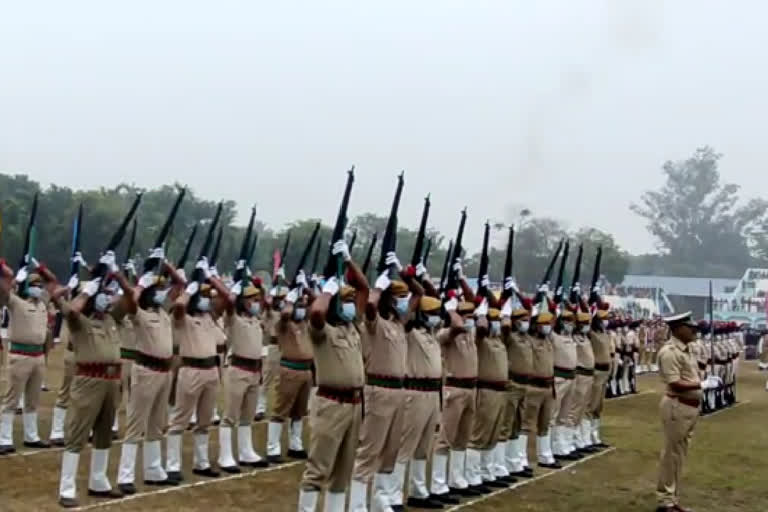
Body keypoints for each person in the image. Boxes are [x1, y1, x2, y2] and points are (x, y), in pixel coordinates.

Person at [55, 252, 133, 507]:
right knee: (77, 432)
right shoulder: (81, 322)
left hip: (112, 381)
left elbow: (131, 299)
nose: (108, 297)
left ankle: (98, 479)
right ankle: (67, 487)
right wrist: (87, 291)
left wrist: (117, 274)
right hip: (89, 380)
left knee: (104, 433)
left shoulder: (112, 319)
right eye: (104, 293)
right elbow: (68, 308)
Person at [297, 240, 368, 512]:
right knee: (318, 469)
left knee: (343, 472)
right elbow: (316, 311)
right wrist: (327, 290)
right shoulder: (321, 332)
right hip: (331, 404)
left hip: (354, 405)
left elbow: (364, 289)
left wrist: (349, 261)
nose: (352, 305)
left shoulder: (352, 328)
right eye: (346, 301)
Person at [349, 252, 422, 512]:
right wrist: (378, 287)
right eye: (399, 297)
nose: (405, 302)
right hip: (378, 389)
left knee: (391, 448)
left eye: (404, 297)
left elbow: (419, 294)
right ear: (390, 301)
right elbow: (369, 307)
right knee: (370, 448)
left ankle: (381, 496)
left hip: (399, 391)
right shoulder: (375, 324)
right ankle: (357, 503)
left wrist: (402, 271)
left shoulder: (399, 323)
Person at [116, 262, 184, 494]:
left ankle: (153, 470)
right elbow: (129, 302)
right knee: (136, 423)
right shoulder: (139, 314)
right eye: (156, 290)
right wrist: (140, 283)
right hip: (145, 371)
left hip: (164, 372)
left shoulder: (163, 312)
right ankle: (125, 475)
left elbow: (180, 285)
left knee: (157, 423)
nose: (162, 293)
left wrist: (166, 265)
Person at [166, 260, 224, 483]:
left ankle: (202, 463)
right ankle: (173, 465)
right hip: (190, 369)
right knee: (179, 420)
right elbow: (179, 306)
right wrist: (190, 289)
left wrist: (210, 277)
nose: (207, 300)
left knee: (204, 420)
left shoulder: (209, 316)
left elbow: (228, 298)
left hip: (211, 370)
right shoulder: (183, 318)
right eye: (203, 296)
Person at [655, 312, 719, 512]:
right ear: (678, 328)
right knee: (671, 455)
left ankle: (673, 499)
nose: (693, 330)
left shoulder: (687, 349)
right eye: (689, 327)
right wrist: (702, 384)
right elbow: (674, 382)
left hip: (689, 408)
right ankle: (666, 501)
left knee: (679, 456)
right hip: (677, 405)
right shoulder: (670, 352)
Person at [208, 272, 269, 472]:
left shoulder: (256, 319)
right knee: (230, 415)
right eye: (253, 300)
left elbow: (266, 297)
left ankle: (246, 451)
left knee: (248, 416)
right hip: (237, 369)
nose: (257, 303)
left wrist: (253, 280)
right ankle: (225, 455)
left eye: (257, 300)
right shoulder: (233, 317)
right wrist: (219, 281)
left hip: (254, 370)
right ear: (243, 302)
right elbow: (228, 300)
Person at [390, 289, 445, 510]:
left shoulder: (433, 334)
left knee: (424, 447)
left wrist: (425, 285)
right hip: (416, 391)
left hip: (432, 393)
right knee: (405, 445)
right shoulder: (409, 333)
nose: (437, 315)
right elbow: (405, 316)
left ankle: (418, 491)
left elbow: (444, 309)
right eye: (431, 312)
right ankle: (393, 496)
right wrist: (417, 290)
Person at [431, 264, 481, 500]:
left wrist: (461, 280)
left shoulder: (470, 332)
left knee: (462, 437)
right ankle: (438, 483)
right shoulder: (446, 333)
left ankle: (456, 478)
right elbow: (458, 325)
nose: (471, 320)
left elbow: (475, 306)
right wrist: (451, 310)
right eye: (467, 316)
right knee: (446, 438)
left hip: (470, 388)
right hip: (454, 388)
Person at [0, 260, 59, 454]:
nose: (38, 288)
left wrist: (40, 267)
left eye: (39, 285)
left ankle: (31, 436)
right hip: (20, 355)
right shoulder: (15, 302)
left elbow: (53, 281)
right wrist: (10, 275)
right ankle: (4, 437)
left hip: (38, 356)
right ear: (26, 287)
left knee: (32, 400)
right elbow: (3, 289)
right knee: (12, 399)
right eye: (33, 285)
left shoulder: (43, 303)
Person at [266, 273, 314, 464]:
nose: (302, 309)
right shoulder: (283, 323)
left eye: (303, 306)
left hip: (306, 371)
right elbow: (286, 313)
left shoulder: (306, 323)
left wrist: (307, 288)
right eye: (298, 306)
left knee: (299, 411)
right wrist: (291, 298)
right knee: (280, 410)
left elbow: (318, 306)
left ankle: (296, 444)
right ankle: (273, 447)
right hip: (290, 369)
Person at [466, 304, 510, 490]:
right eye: (496, 321)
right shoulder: (480, 339)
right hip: (486, 390)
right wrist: (482, 315)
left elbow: (507, 325)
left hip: (500, 391)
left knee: (492, 434)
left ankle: (486, 471)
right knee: (479, 435)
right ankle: (472, 476)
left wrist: (504, 312)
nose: (499, 325)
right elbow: (482, 328)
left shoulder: (500, 340)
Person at [500, 296, 534, 479]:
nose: (526, 324)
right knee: (506, 424)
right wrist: (506, 309)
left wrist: (518, 294)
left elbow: (531, 309)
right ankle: (501, 464)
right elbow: (505, 325)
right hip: (512, 383)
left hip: (524, 384)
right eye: (522, 321)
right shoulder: (509, 336)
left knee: (518, 425)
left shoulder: (527, 337)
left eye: (527, 321)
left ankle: (513, 462)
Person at [521, 308, 559, 470]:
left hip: (548, 387)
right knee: (527, 424)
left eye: (548, 324)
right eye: (543, 324)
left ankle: (545, 455)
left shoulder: (548, 340)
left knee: (545, 423)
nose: (547, 326)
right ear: (535, 325)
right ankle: (523, 459)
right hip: (534, 387)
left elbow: (555, 319)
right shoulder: (529, 340)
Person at [550, 309, 578, 461]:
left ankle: (561, 444)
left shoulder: (571, 337)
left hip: (571, 377)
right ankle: (551, 446)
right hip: (559, 377)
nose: (570, 324)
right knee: (553, 412)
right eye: (567, 321)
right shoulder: (554, 337)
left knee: (565, 413)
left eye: (571, 321)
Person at [567, 312, 596, 455]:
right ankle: (571, 440)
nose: (587, 326)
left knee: (583, 408)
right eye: (584, 324)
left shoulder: (585, 338)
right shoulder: (575, 338)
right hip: (580, 374)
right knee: (575, 408)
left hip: (589, 375)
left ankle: (578, 439)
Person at [587, 306, 612, 450]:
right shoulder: (592, 333)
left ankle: (595, 435)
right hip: (596, 371)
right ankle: (588, 437)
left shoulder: (604, 334)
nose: (606, 321)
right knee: (592, 404)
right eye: (603, 319)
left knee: (599, 407)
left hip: (605, 372)